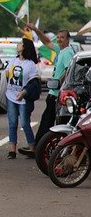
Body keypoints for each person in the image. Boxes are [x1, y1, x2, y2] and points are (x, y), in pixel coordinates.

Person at [25, 23, 76, 156]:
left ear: (67, 39)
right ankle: (39, 147)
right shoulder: (61, 50)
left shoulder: (68, 53)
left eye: (62, 37)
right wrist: (36, 30)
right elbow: (47, 42)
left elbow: (68, 71)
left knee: (49, 122)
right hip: (53, 93)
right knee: (46, 121)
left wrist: (59, 83)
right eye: (58, 37)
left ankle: (40, 149)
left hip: (58, 93)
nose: (59, 39)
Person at [0, 38, 40, 159]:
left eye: (20, 43)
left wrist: (24, 92)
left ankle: (32, 148)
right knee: (12, 123)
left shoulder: (31, 65)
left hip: (23, 99)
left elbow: (34, 84)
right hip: (11, 97)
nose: (18, 45)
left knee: (25, 123)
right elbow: (4, 78)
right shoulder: (13, 61)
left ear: (25, 47)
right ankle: (12, 151)